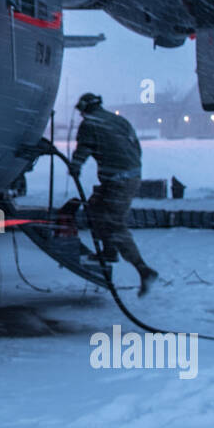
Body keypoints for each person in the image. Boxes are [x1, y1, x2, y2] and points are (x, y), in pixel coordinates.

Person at [67, 93, 160, 296]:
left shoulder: (89, 124)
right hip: (128, 176)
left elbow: (83, 149)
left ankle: (143, 269)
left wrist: (75, 166)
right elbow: (136, 147)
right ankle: (109, 251)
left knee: (114, 223)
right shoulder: (118, 120)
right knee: (95, 208)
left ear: (84, 109)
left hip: (118, 180)